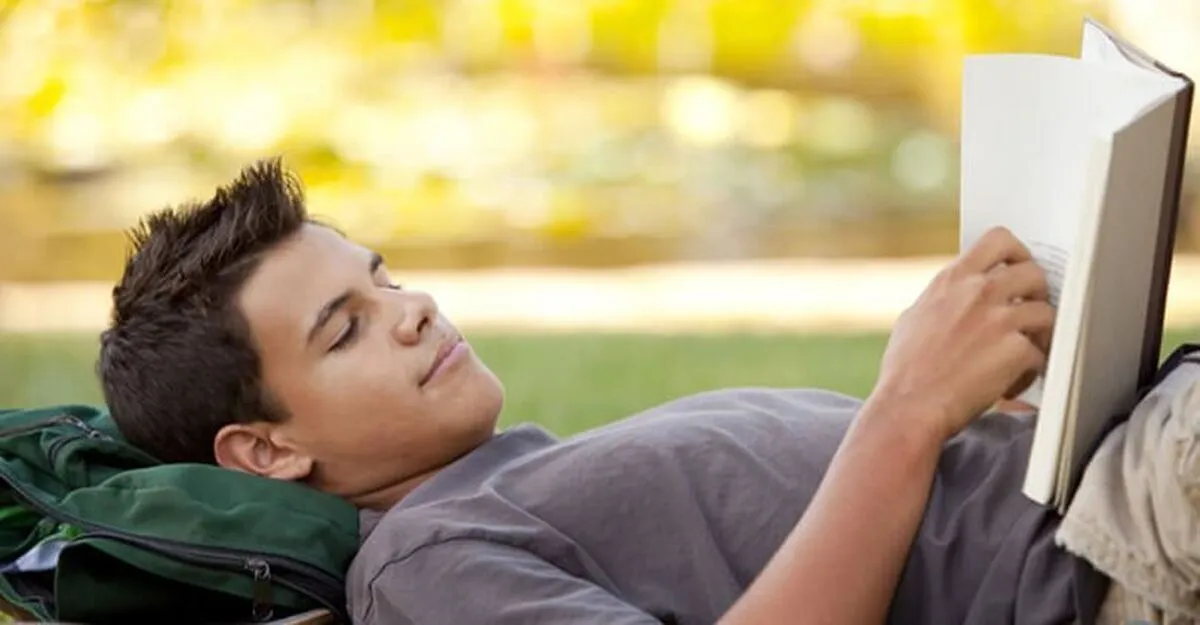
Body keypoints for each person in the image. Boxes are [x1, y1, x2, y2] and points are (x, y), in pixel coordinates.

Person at [97, 158, 1095, 625]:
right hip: (1094, 563)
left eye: (385, 279)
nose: (413, 309)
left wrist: (997, 395)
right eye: (345, 328)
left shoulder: (508, 487)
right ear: (268, 449)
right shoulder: (421, 565)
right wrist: (908, 408)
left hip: (1090, 489)